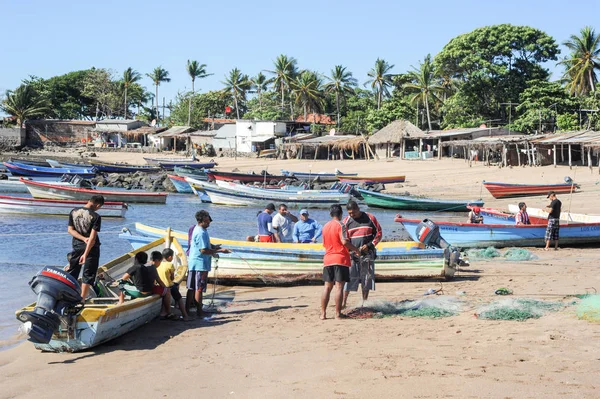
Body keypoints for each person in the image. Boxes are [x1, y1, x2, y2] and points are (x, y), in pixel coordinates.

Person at [187, 210, 231, 316]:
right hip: (200, 263)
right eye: (207, 220)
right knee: (199, 288)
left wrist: (214, 246)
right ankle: (199, 311)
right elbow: (203, 250)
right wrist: (220, 251)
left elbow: (204, 245)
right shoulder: (201, 232)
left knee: (192, 287)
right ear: (201, 220)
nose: (209, 222)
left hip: (193, 262)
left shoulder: (198, 229)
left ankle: (187, 310)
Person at [321, 204, 360, 320]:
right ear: (341, 214)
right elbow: (344, 242)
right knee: (339, 287)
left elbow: (324, 244)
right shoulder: (341, 225)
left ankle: (322, 314)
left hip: (328, 259)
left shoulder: (325, 226)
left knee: (327, 287)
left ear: (330, 214)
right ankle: (338, 314)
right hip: (340, 259)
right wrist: (356, 249)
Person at [342, 200, 383, 308]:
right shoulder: (346, 221)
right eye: (349, 213)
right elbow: (343, 239)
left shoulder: (370, 218)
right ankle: (343, 302)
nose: (352, 215)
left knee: (366, 279)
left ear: (358, 209)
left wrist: (369, 245)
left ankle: (364, 302)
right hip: (352, 255)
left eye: (353, 212)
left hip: (368, 254)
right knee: (349, 278)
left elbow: (379, 233)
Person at [66, 195, 105, 300]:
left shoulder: (73, 212)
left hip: (77, 245)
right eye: (99, 207)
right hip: (91, 249)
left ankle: (68, 294)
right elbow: (92, 239)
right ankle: (82, 299)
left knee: (73, 271)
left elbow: (70, 230)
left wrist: (83, 238)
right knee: (88, 274)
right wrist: (86, 253)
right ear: (97, 205)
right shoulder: (95, 216)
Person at [117, 252, 174, 319]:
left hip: (140, 293)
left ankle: (121, 302)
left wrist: (118, 282)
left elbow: (123, 278)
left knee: (121, 284)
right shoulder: (149, 267)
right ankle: (168, 312)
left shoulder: (135, 267)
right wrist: (165, 287)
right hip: (150, 291)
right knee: (166, 290)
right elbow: (159, 281)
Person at [157, 248, 192, 321]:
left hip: (161, 285)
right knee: (179, 298)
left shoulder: (159, 264)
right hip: (168, 285)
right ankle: (185, 315)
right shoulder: (170, 265)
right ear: (170, 257)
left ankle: (165, 311)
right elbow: (172, 278)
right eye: (172, 256)